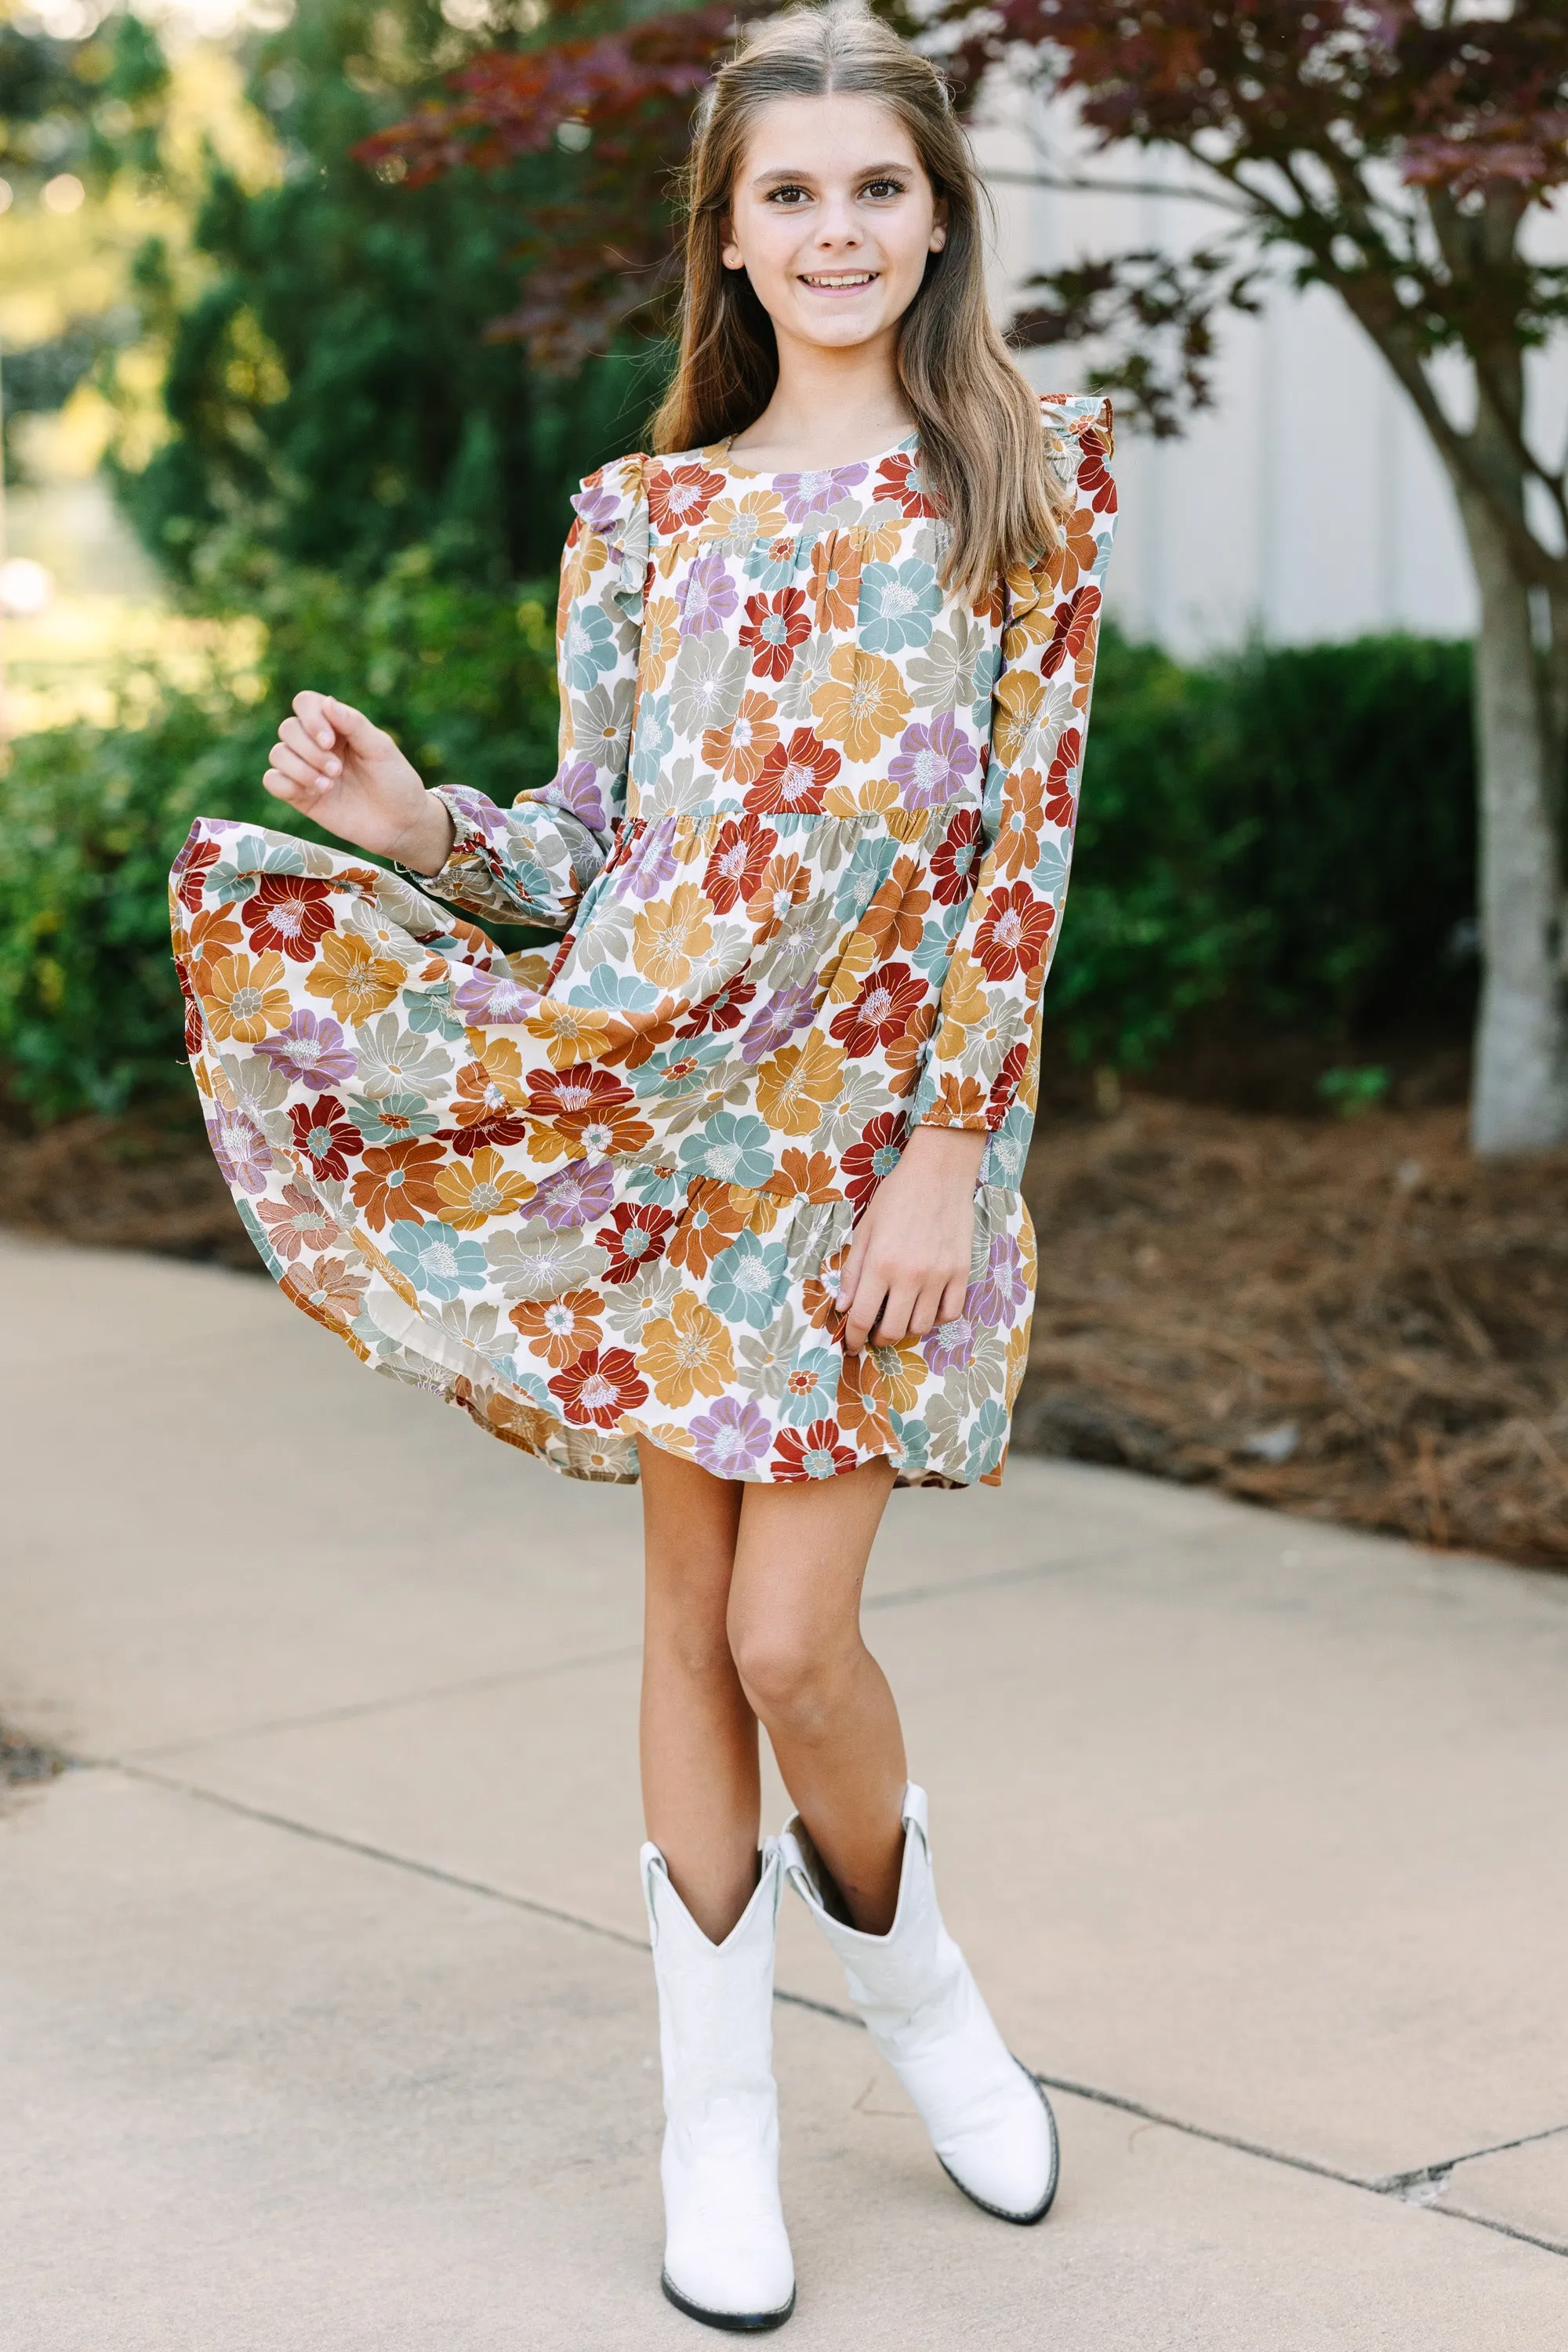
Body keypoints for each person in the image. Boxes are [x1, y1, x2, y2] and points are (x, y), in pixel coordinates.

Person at [169, 0, 1116, 2329]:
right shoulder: (643, 516)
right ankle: (718, 2121)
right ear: (726, 230)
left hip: (883, 1143)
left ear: (938, 211)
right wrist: (426, 836)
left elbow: (1025, 856)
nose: (836, 230)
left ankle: (920, 1995)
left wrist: (952, 1151)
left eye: (876, 187)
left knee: (802, 1640)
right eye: (789, 192)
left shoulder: (1025, 479)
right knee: (690, 1627)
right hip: (673, 1117)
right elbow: (599, 850)